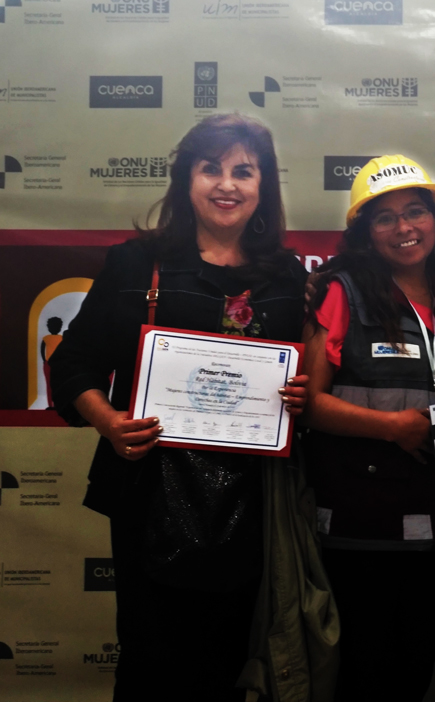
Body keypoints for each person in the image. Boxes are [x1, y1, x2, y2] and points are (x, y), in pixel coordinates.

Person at [49, 114, 311, 701]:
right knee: (151, 661)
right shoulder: (136, 263)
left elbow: (302, 381)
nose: (227, 184)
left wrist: (300, 395)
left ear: (264, 185)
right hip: (146, 491)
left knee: (228, 661)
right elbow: (73, 365)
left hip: (251, 500)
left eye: (244, 171)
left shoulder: (287, 277)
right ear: (186, 180)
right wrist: (110, 423)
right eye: (211, 168)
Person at [301, 155, 435, 701]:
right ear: (365, 232)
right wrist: (389, 427)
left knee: (414, 665)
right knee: (365, 668)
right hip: (363, 521)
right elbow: (308, 404)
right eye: (385, 217)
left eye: (416, 212)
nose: (404, 227)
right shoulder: (342, 292)